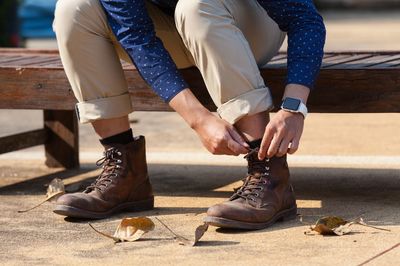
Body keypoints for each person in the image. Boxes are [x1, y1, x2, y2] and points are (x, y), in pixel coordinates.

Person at [52, 0, 325, 230]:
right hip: (179, 32)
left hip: (247, 25)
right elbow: (135, 36)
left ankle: (270, 174)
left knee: (195, 5)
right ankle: (125, 172)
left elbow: (304, 19)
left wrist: (293, 107)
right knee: (74, 8)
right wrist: (199, 119)